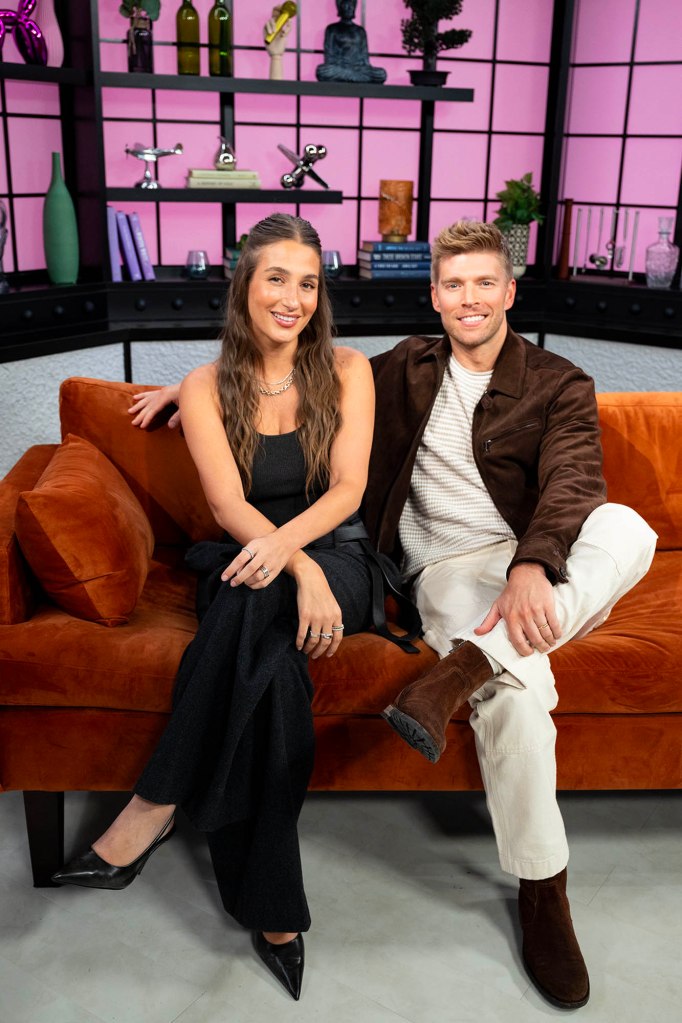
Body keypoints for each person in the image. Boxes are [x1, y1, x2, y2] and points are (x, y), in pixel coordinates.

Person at [51, 213, 419, 1002]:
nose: (292, 297)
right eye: (276, 278)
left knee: (253, 601)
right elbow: (225, 507)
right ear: (244, 285)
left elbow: (348, 489)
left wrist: (305, 562)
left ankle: (154, 804)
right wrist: (291, 566)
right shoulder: (204, 386)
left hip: (342, 559)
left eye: (308, 283)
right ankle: (276, 914)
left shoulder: (348, 369)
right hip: (251, 559)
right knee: (272, 671)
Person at [363, 220, 657, 1010]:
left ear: (509, 291)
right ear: (435, 295)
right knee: (520, 699)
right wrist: (201, 386)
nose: (470, 298)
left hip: (532, 556)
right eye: (454, 284)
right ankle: (543, 891)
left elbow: (574, 480)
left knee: (629, 527)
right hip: (449, 569)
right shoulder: (399, 368)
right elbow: (296, 375)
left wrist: (533, 562)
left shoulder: (558, 381)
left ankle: (461, 665)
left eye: (484, 282)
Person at [316, 0, 387, 83]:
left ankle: (351, 77)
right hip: (340, 68)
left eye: (351, 6)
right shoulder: (332, 29)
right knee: (322, 71)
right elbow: (329, 57)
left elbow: (365, 59)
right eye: (346, 6)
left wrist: (362, 68)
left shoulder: (360, 31)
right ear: (340, 8)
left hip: (358, 68)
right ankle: (355, 77)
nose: (349, 8)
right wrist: (341, 66)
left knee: (381, 74)